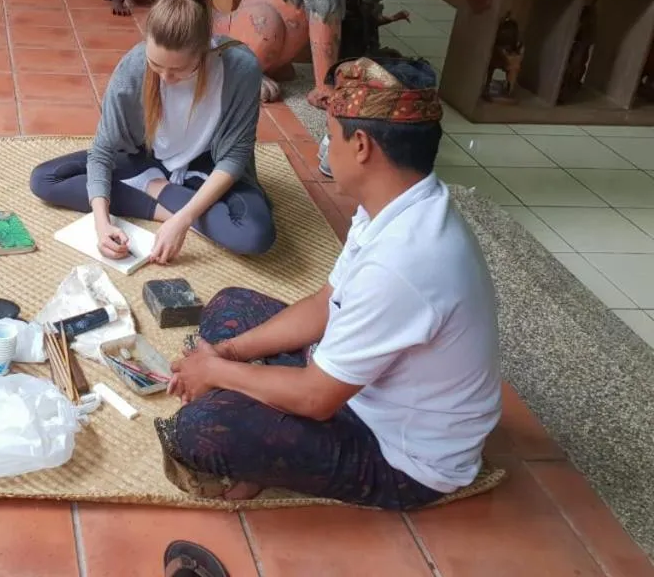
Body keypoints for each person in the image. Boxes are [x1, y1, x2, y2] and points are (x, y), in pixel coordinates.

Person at [156, 57, 501, 509]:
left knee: (200, 429)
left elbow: (317, 397)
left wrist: (215, 372)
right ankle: (246, 396)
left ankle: (252, 439)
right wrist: (227, 353)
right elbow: (327, 303)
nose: (324, 146)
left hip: (399, 456)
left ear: (361, 146)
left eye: (330, 134)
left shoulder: (403, 263)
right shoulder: (398, 204)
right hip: (357, 388)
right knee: (230, 304)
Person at [29, 0, 275, 263]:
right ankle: (161, 197)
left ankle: (156, 189)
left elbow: (234, 158)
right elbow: (103, 150)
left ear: (204, 52)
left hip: (207, 169)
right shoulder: (134, 66)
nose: (165, 78)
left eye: (179, 70)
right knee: (45, 179)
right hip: (147, 159)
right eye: (156, 65)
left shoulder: (241, 69)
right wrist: (103, 224)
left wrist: (184, 220)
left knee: (255, 236)